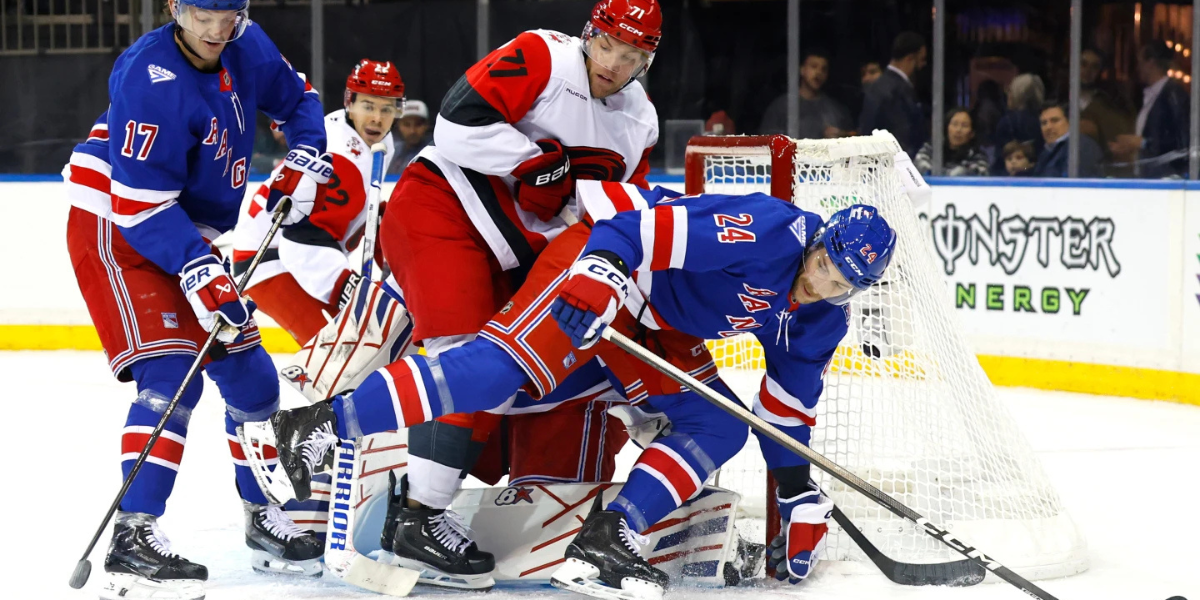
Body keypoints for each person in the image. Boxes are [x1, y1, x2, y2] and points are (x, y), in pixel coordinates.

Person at [246, 180, 897, 600]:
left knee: (718, 424)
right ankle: (317, 425)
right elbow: (635, 229)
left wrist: (797, 494)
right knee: (498, 374)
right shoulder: (763, 230)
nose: (823, 284)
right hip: (607, 262)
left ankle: (609, 538)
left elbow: (783, 412)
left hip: (662, 327)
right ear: (817, 240)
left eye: (842, 283)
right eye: (823, 266)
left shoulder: (820, 317)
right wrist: (600, 277)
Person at [343, 0, 661, 589]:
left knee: (511, 369)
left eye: (634, 55)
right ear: (589, 35)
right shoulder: (542, 54)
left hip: (513, 255)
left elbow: (615, 216)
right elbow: (456, 123)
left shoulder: (640, 122)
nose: (615, 64)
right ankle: (413, 514)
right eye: (609, 46)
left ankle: (430, 496)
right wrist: (531, 161)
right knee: (466, 361)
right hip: (444, 209)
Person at [60, 0, 332, 597]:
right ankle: (132, 538)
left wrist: (305, 151)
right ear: (174, 9)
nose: (216, 30)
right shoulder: (147, 76)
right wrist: (196, 270)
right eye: (202, 14)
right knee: (172, 373)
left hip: (190, 231)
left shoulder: (246, 41)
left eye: (227, 14)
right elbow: (138, 205)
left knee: (253, 381)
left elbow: (300, 100)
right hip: (121, 224)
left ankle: (262, 518)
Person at [232, 59, 402, 345]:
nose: (377, 118)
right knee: (341, 352)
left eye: (387, 108)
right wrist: (350, 289)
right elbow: (303, 241)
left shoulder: (363, 138)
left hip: (285, 254)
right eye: (368, 106)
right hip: (268, 260)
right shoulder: (340, 154)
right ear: (350, 103)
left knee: (359, 349)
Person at [1109, 41, 1190, 178]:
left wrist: (1141, 142)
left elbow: (1181, 142)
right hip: (1150, 176)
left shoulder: (1172, 95)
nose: (1138, 68)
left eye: (1140, 62)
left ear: (1150, 63)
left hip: (1166, 180)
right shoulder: (1152, 95)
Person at [758, 50, 853, 138]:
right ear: (802, 69)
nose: (819, 72)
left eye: (824, 69)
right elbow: (768, 144)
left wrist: (840, 136)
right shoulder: (781, 107)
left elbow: (853, 139)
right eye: (813, 66)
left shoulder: (836, 110)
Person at [860, 31, 927, 156]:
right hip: (894, 169)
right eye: (921, 59)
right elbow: (902, 139)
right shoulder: (895, 91)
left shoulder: (879, 86)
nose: (924, 65)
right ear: (910, 59)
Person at [1078, 47, 1134, 176]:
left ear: (1101, 71)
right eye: (1083, 64)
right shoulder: (1061, 98)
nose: (1087, 71)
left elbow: (1118, 144)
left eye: (1094, 66)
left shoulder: (1111, 103)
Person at [990, 73, 1045, 174]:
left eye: (1010, 90)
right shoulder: (1044, 120)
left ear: (1017, 94)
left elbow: (1000, 163)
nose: (1007, 95)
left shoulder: (1008, 122)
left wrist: (1021, 170)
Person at [1033, 103, 1103, 178]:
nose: (1048, 127)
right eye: (1044, 123)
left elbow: (1073, 185)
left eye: (1055, 120)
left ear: (1070, 122)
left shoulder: (1081, 146)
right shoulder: (1048, 150)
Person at [913, 107, 989, 176]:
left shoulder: (978, 157)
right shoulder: (931, 148)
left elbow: (980, 173)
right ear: (947, 128)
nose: (958, 130)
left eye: (964, 125)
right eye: (955, 124)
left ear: (972, 133)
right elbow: (920, 164)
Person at [388, 99, 431, 174]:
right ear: (399, 125)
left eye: (418, 124)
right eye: (406, 124)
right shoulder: (391, 152)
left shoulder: (434, 154)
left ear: (426, 125)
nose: (412, 131)